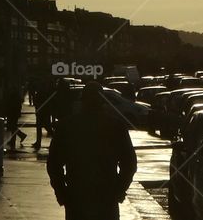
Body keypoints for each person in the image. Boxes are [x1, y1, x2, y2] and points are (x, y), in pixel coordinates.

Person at [47, 82, 137, 220]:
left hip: (77, 195)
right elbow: (129, 163)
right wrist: (119, 190)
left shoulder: (67, 126)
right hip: (106, 195)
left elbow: (54, 164)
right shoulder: (116, 126)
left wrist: (62, 192)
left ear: (82, 101)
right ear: (102, 101)